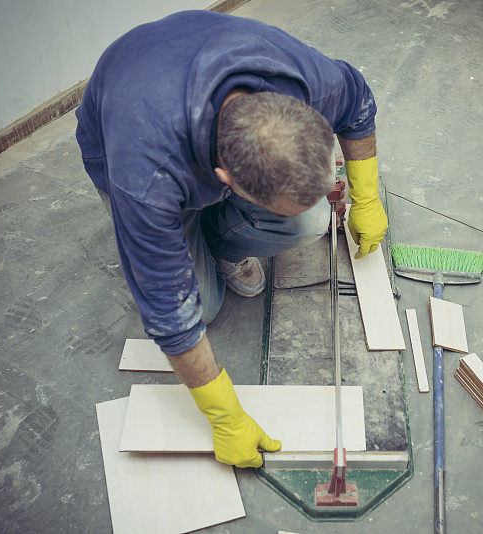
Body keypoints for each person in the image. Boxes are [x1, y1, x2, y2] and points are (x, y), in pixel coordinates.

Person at [75, 10, 387, 468]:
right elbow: (169, 314)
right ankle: (183, 236)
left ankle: (218, 242)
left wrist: (366, 196)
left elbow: (359, 103)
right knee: (201, 307)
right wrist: (223, 416)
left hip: (186, 101)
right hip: (130, 128)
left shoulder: (305, 81)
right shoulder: (146, 175)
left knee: (311, 221)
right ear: (226, 181)